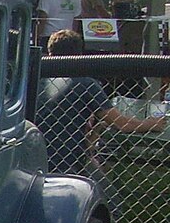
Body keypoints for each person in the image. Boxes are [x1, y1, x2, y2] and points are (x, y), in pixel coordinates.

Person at [36, 29, 164, 212]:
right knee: (113, 205)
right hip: (69, 159)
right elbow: (123, 124)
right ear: (80, 54)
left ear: (49, 53)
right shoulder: (86, 83)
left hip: (35, 156)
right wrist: (153, 123)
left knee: (95, 163)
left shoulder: (32, 81)